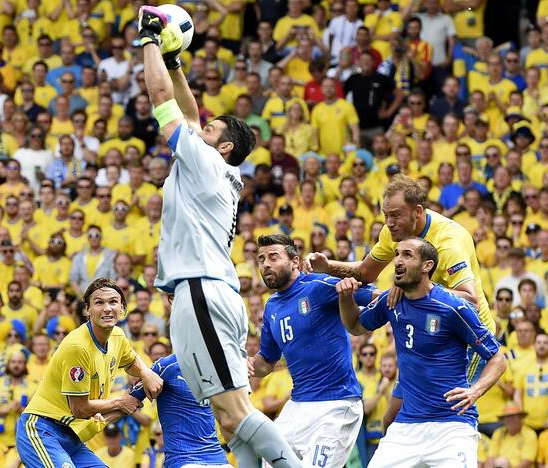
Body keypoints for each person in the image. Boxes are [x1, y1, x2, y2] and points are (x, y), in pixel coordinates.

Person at [135, 8, 300, 467]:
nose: (199, 125)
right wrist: (175, 61)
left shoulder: (204, 162)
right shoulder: (220, 168)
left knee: (234, 412)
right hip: (211, 291)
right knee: (229, 419)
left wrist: (149, 41)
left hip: (202, 292)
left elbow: (162, 102)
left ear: (222, 145)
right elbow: (190, 111)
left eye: (209, 129)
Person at [308, 174, 495, 421]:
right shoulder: (392, 233)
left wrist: (415, 286)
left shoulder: (448, 241)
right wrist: (328, 265)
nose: (389, 222)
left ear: (417, 211)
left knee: (447, 414)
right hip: (423, 339)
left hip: (463, 341)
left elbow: (470, 299)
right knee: (391, 418)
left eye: (396, 215)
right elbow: (365, 272)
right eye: (385, 214)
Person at [337, 237, 506, 467]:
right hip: (407, 426)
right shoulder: (391, 301)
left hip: (452, 426)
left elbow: (498, 358)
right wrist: (345, 298)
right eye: (396, 254)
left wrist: (475, 391)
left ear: (427, 266)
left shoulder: (453, 307)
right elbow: (355, 326)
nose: (397, 260)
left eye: (407, 255)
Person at [249, 233, 375, 465]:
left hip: (337, 404)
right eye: (261, 259)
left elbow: (375, 296)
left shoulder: (318, 286)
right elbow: (266, 362)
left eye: (273, 257)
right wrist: (245, 364)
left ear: (295, 261)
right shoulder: (271, 307)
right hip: (297, 407)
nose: (266, 264)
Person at [16, 278, 163, 468]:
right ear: (87, 310)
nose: (107, 308)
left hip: (72, 437)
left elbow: (131, 360)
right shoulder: (78, 347)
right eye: (99, 302)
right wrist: (120, 401)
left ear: (123, 308)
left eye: (113, 302)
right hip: (42, 430)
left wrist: (145, 372)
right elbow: (80, 408)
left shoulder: (118, 335)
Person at [128, 353, 232, 468]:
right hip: (184, 459)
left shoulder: (217, 366)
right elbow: (129, 402)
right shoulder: (165, 366)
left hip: (219, 458)